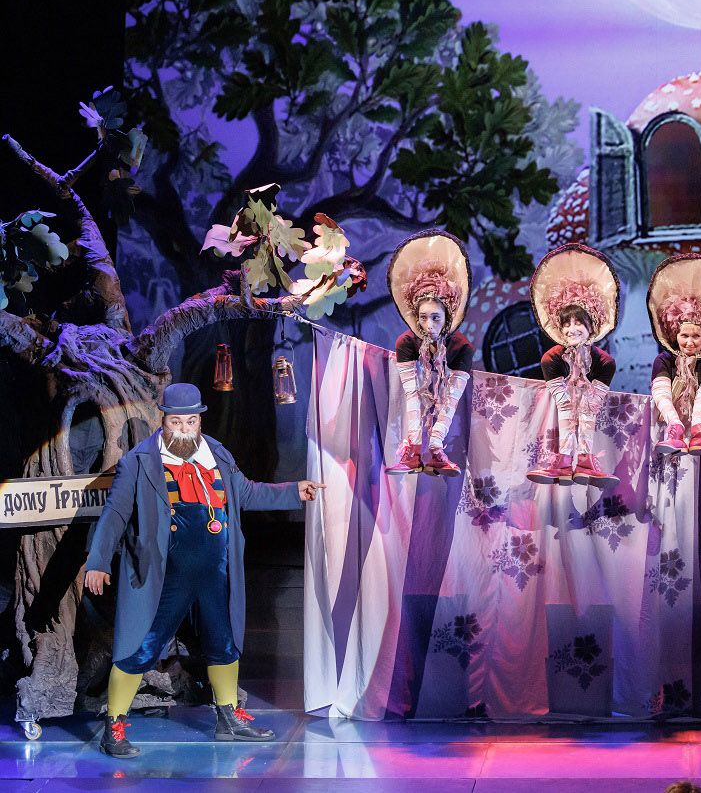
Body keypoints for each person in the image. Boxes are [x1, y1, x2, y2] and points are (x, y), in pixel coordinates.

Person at [82, 383, 325, 758]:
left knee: (223, 641)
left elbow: (246, 493)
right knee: (140, 646)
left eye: (191, 421)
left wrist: (294, 491)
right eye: (176, 422)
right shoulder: (139, 462)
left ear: (199, 420)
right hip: (166, 574)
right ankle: (114, 727)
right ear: (163, 420)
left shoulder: (217, 453)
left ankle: (229, 718)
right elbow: (114, 514)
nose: (184, 429)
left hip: (215, 571)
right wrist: (98, 561)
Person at [526, 243, 621, 484]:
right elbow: (565, 405)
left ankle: (586, 461)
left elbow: (590, 407)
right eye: (566, 324)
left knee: (588, 410)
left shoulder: (605, 362)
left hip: (590, 411)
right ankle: (564, 460)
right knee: (567, 407)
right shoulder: (551, 359)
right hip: (558, 417)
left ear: (592, 326)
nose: (571, 329)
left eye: (578, 323)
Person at [384, 231, 475, 476]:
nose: (428, 325)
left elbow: (450, 401)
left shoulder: (462, 347)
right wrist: (415, 443)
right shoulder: (406, 342)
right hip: (418, 400)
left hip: (449, 402)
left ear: (447, 316)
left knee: (448, 404)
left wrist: (435, 443)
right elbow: (412, 395)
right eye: (423, 317)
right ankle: (413, 453)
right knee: (413, 399)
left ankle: (436, 452)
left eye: (435, 318)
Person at [648, 254, 701, 456]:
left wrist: (698, 423)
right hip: (669, 426)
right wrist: (674, 423)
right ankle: (675, 430)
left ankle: (699, 430)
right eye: (684, 336)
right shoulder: (664, 360)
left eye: (696, 336)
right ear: (675, 335)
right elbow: (662, 396)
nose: (690, 342)